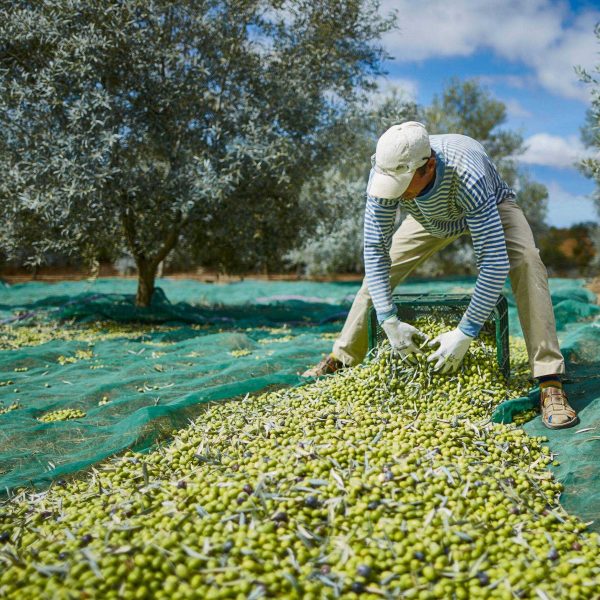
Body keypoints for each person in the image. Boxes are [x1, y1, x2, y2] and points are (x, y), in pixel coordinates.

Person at [303, 121, 578, 430]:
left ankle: (549, 380)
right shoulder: (386, 170)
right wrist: (388, 318)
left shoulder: (468, 174)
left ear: (429, 165)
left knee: (527, 261)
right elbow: (374, 249)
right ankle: (341, 357)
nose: (399, 195)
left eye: (405, 185)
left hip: (489, 205)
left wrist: (465, 332)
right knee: (380, 275)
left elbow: (493, 262)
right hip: (429, 217)